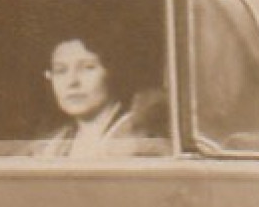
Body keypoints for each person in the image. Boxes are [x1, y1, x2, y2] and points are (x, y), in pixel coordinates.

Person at [34, 31, 166, 158]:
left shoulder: (143, 141)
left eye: (88, 67)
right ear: (49, 76)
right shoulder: (49, 147)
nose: (72, 81)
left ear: (111, 71)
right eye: (61, 70)